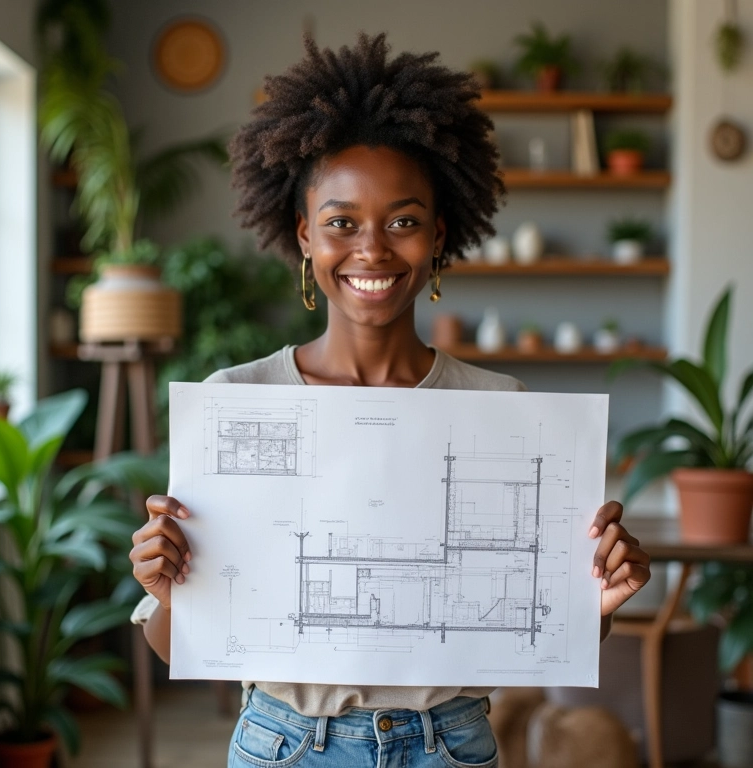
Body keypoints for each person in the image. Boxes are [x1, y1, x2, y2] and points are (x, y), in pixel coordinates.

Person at [129, 33, 651, 768]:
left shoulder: (505, 410)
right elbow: (178, 643)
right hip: (283, 745)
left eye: (402, 221)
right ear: (305, 235)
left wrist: (591, 604)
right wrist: (168, 589)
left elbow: (538, 636)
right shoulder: (237, 403)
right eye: (341, 222)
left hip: (451, 747)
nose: (371, 249)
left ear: (438, 238)